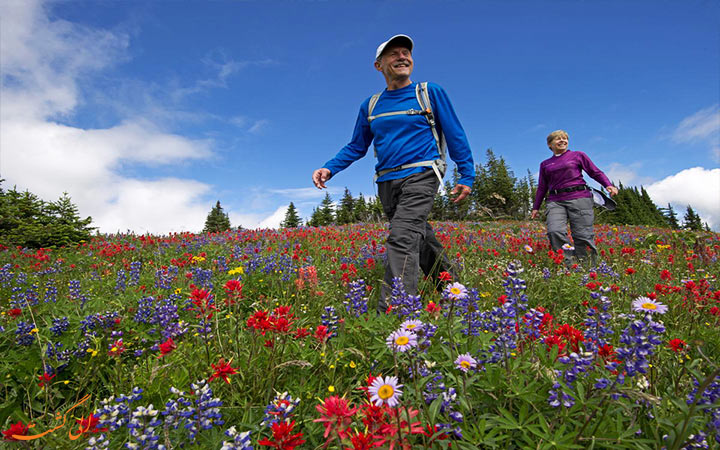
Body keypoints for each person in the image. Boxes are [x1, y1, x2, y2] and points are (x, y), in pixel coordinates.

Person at [311, 34, 475, 312]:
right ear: (379, 65)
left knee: (401, 237)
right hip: (386, 180)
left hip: (422, 172)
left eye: (406, 53)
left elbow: (454, 132)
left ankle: (396, 312)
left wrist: (466, 174)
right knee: (420, 240)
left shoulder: (429, 92)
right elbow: (356, 146)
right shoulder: (371, 106)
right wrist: (330, 167)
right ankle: (455, 292)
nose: (402, 57)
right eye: (393, 54)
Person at [531, 130, 618, 264]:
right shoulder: (545, 164)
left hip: (579, 197)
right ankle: (570, 264)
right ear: (550, 145)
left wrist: (608, 185)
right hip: (555, 201)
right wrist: (535, 207)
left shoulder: (578, 155)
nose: (562, 141)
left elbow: (595, 172)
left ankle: (588, 268)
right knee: (554, 231)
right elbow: (542, 187)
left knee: (582, 235)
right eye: (558, 139)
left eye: (564, 138)